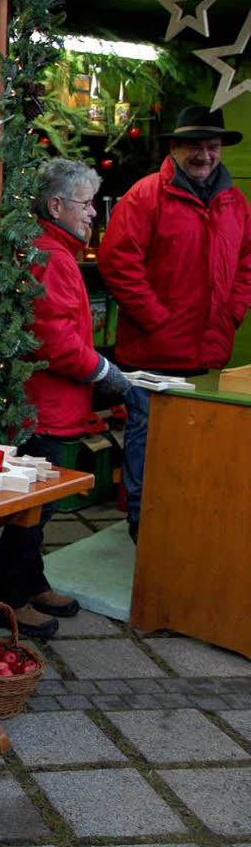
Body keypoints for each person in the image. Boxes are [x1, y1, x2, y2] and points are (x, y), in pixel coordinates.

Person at [0, 159, 132, 638]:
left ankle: (31, 582)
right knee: (33, 507)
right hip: (44, 405)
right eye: (86, 203)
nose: (93, 213)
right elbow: (54, 342)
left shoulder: (56, 251)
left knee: (42, 504)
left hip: (55, 404)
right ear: (56, 205)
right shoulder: (48, 256)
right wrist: (106, 372)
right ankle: (8, 598)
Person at [97, 106, 251, 543]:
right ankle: (142, 527)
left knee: (196, 441)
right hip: (154, 353)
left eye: (212, 145)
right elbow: (117, 262)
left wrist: (233, 311)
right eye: (195, 145)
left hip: (209, 351)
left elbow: (246, 262)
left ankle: (184, 521)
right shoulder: (146, 196)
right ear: (175, 147)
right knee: (147, 440)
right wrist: (156, 320)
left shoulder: (234, 201)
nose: (205, 154)